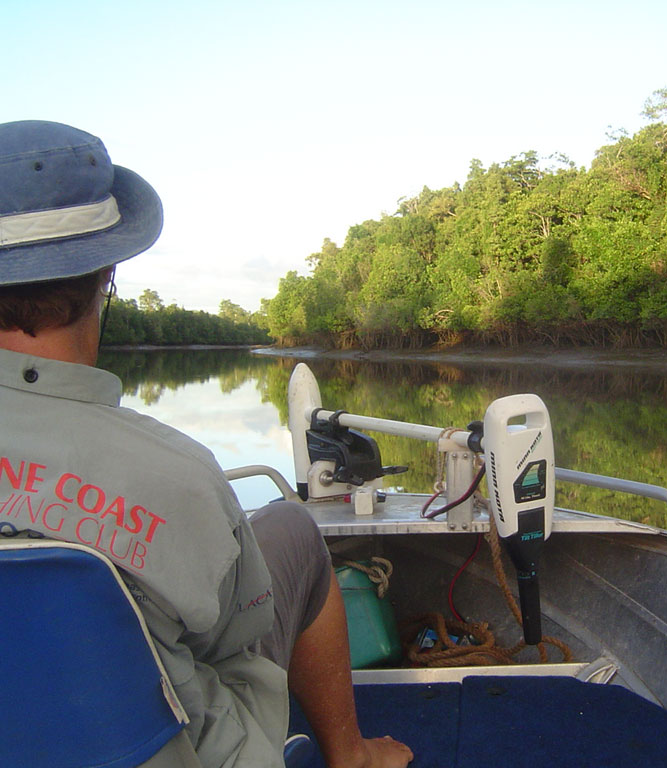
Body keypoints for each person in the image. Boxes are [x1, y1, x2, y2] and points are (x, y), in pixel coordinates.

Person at [0, 120, 413, 768]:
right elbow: (236, 639)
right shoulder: (177, 476)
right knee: (294, 532)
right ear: (107, 276)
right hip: (188, 748)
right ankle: (352, 754)